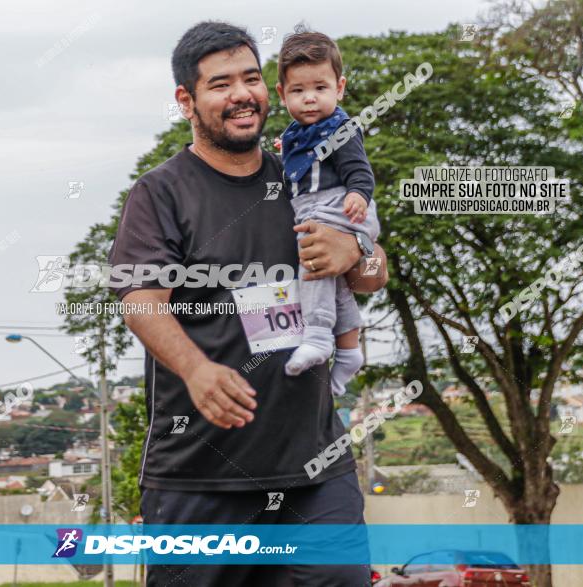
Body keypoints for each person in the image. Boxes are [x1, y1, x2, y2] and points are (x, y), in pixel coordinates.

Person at [107, 21, 388, 587]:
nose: (241, 95)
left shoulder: (305, 174)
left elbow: (375, 277)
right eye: (220, 84)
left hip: (315, 469)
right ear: (186, 100)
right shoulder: (161, 193)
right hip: (200, 480)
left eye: (251, 78)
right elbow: (139, 300)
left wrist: (356, 251)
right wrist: (196, 369)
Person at [275, 29, 382, 394]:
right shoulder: (294, 135)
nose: (309, 99)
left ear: (339, 87)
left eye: (320, 89)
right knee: (334, 282)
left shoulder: (340, 128)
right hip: (319, 208)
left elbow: (360, 172)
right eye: (298, 91)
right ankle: (349, 351)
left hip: (340, 207)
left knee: (315, 258)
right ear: (282, 94)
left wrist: (359, 198)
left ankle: (319, 335)